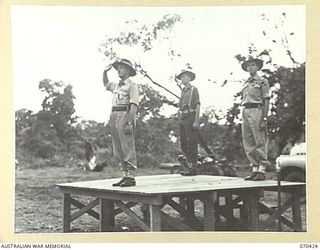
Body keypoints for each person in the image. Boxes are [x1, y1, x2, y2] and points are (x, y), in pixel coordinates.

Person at [103, 59, 139, 187]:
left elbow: (134, 105)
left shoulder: (132, 85)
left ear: (128, 70)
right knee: (117, 146)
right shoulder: (117, 85)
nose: (119, 70)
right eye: (118, 68)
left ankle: (131, 176)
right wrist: (104, 72)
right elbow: (106, 84)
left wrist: (129, 122)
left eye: (122, 68)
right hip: (114, 114)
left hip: (125, 114)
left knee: (127, 145)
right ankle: (124, 175)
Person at [240, 57, 271, 181]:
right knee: (248, 141)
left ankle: (262, 170)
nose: (250, 67)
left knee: (259, 140)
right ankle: (255, 168)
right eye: (248, 66)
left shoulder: (262, 81)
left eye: (252, 65)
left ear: (257, 67)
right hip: (245, 110)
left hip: (257, 110)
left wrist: (264, 117)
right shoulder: (246, 82)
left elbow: (266, 100)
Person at [176, 69, 201, 176]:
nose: (182, 79)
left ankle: (193, 166)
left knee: (191, 141)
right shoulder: (183, 91)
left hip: (191, 115)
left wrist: (196, 120)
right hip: (183, 116)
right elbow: (180, 105)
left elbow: (198, 105)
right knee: (183, 142)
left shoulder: (194, 89)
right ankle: (187, 164)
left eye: (184, 77)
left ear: (189, 78)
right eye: (181, 77)